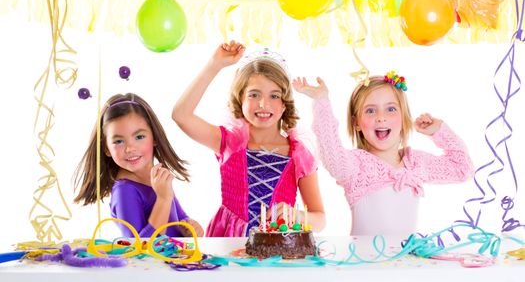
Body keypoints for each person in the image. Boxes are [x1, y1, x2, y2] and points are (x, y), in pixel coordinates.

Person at [172, 40, 325, 237]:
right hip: (228, 243)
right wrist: (214, 65)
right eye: (254, 94)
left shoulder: (298, 154)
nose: (263, 104)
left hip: (277, 248)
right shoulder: (228, 142)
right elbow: (180, 115)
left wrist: (295, 215)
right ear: (240, 99)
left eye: (274, 96)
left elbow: (320, 219)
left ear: (285, 103)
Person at [293, 72, 474, 236]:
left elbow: (463, 169)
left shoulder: (416, 163)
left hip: (404, 263)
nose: (381, 117)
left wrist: (439, 131)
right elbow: (331, 152)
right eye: (370, 110)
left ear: (404, 119)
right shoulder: (357, 165)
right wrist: (322, 101)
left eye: (391, 109)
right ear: (357, 123)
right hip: (365, 265)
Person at [74, 93, 203, 238]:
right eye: (118, 141)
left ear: (154, 137)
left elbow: (179, 219)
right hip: (152, 261)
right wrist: (163, 199)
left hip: (174, 258)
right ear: (106, 148)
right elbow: (139, 246)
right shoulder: (124, 191)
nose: (130, 148)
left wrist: (189, 227)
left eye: (139, 137)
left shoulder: (158, 178)